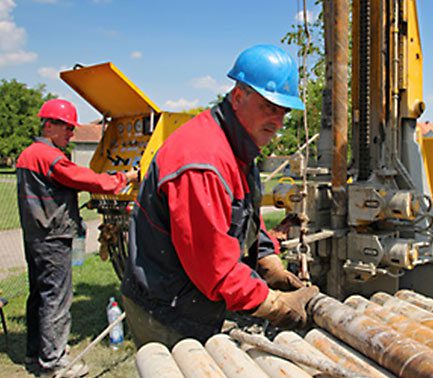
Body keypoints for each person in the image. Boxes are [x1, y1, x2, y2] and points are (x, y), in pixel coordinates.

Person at [121, 44, 319, 349]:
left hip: (190, 299)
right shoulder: (202, 162)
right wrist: (275, 304)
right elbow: (214, 268)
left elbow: (245, 216)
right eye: (269, 107)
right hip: (165, 313)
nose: (278, 122)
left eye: (284, 111)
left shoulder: (238, 148)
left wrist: (267, 260)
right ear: (239, 97)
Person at [16, 98, 138, 377]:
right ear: (49, 126)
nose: (71, 134)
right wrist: (125, 177)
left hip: (35, 236)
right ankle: (54, 362)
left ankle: (36, 353)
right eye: (67, 128)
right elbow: (85, 179)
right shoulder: (48, 156)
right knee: (56, 299)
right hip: (52, 236)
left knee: (38, 295)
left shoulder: (28, 154)